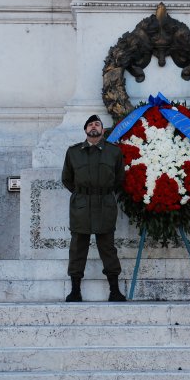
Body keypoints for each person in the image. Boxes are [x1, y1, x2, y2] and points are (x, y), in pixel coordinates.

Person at [61, 115, 126, 302]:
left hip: (105, 203)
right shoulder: (73, 152)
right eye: (90, 125)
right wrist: (83, 193)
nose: (93, 127)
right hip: (81, 204)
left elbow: (119, 178)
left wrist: (102, 192)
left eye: (97, 124)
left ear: (103, 130)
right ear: (85, 130)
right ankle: (75, 290)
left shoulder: (113, 152)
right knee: (77, 247)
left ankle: (114, 290)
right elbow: (67, 178)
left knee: (107, 247)